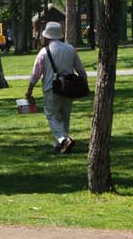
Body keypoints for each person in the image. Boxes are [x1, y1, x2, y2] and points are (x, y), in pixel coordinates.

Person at [25, 21, 88, 154]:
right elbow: (81, 71)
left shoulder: (44, 51)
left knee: (52, 116)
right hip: (69, 87)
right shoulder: (70, 49)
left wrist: (30, 89)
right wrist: (85, 84)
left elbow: (36, 73)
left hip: (51, 88)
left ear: (47, 36)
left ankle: (63, 139)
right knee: (65, 116)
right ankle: (60, 144)